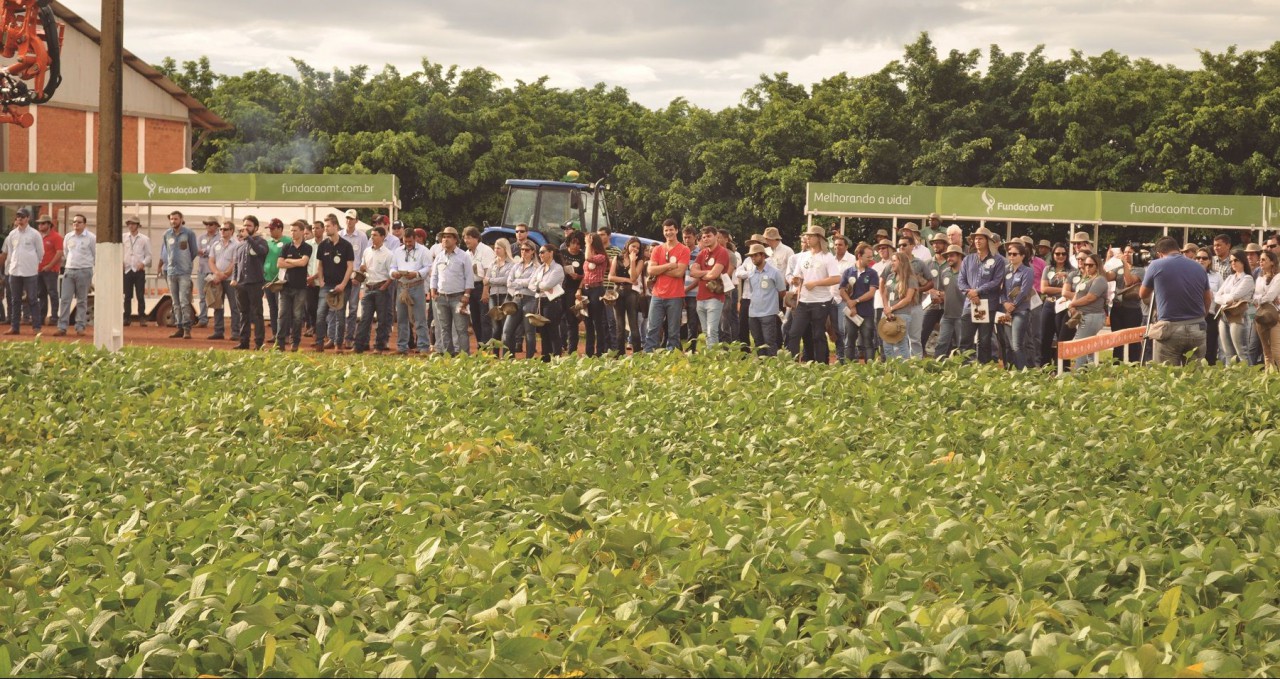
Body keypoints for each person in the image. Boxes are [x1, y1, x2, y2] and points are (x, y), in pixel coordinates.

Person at [1140, 237, 1211, 365]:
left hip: (1170, 327)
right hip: (1197, 326)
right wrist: (1202, 316)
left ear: (1159, 254)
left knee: (1167, 376)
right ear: (1178, 250)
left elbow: (1143, 293)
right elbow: (1207, 297)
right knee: (1196, 377)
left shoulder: (1156, 265)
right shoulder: (1199, 267)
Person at [785, 225, 843, 363]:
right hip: (803, 301)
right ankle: (791, 364)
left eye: (810, 236)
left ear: (819, 238)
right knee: (794, 333)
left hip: (821, 302)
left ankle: (822, 364)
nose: (807, 238)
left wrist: (816, 283)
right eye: (807, 236)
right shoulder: (803, 256)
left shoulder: (827, 257)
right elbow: (797, 276)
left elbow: (836, 278)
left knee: (818, 335)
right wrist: (795, 280)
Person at [957, 226, 1006, 364]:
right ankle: (964, 369)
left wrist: (977, 291)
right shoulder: (967, 259)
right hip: (969, 304)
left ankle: (983, 370)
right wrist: (971, 294)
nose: (977, 241)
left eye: (980, 238)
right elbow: (961, 281)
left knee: (984, 340)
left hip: (987, 304)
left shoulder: (998, 260)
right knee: (965, 339)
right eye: (975, 239)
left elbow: (997, 282)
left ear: (988, 241)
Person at [643, 219, 690, 352]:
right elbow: (650, 270)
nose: (668, 232)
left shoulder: (684, 250)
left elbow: (680, 272)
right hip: (657, 294)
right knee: (652, 328)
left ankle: (672, 357)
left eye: (671, 229)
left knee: (673, 330)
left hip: (675, 295)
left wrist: (660, 270)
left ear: (676, 230)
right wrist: (669, 266)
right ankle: (649, 354)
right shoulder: (657, 249)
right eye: (666, 230)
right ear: (663, 232)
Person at [430, 226, 474, 356]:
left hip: (458, 297)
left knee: (461, 329)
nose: (445, 239)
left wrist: (466, 295)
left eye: (448, 237)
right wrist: (433, 291)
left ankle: (464, 356)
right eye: (443, 237)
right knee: (444, 329)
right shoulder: (439, 257)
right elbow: (434, 276)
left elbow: (469, 277)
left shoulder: (464, 256)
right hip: (441, 297)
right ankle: (448, 356)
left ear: (456, 240)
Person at [314, 214, 355, 353]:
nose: (326, 229)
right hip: (326, 286)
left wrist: (343, 284)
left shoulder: (346, 245)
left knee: (340, 316)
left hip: (342, 286)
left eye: (328, 226)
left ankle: (338, 345)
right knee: (320, 315)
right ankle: (319, 344)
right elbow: (320, 265)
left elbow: (350, 266)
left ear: (336, 226)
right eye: (325, 226)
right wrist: (320, 281)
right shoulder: (323, 245)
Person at [390, 226, 433, 355]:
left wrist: (417, 274)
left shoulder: (424, 251)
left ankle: (423, 346)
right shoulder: (397, 251)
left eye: (410, 241)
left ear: (415, 239)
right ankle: (402, 347)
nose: (408, 244)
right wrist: (394, 273)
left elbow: (428, 267)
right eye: (405, 241)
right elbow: (392, 267)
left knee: (420, 318)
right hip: (402, 286)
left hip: (416, 285)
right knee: (402, 318)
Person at [739, 242, 787, 356]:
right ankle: (761, 367)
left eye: (755, 255)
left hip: (768, 313)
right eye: (751, 256)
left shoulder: (775, 272)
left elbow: (782, 292)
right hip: (753, 313)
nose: (753, 258)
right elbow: (753, 292)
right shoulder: (751, 274)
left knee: (769, 342)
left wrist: (771, 303)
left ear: (763, 255)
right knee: (758, 343)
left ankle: (772, 368)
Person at [158, 211, 199, 339]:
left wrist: (186, 263)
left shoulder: (189, 233)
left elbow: (194, 251)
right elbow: (167, 252)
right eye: (171, 219)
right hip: (171, 271)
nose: (173, 221)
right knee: (175, 302)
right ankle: (179, 327)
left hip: (184, 272)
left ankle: (187, 329)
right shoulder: (167, 234)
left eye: (175, 219)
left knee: (184, 301)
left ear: (181, 219)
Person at [353, 226, 394, 354]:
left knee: (382, 320)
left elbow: (391, 274)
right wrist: (362, 268)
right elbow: (363, 267)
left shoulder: (388, 254)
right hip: (368, 287)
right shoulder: (367, 252)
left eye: (375, 235)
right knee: (364, 319)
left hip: (381, 288)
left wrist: (385, 286)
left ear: (383, 237)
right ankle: (358, 346)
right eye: (371, 235)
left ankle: (379, 347)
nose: (372, 237)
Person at [231, 215, 269, 350]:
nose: (246, 228)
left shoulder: (261, 242)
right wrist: (234, 279)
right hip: (241, 284)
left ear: (256, 228)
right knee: (243, 313)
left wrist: (249, 238)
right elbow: (236, 264)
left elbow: (261, 252)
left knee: (257, 313)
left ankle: (259, 343)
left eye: (249, 226)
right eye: (245, 225)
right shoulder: (240, 246)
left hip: (255, 283)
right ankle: (244, 342)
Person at [274, 221, 313, 352]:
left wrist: (289, 260)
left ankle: (295, 342)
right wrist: (295, 262)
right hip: (285, 286)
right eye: (291, 230)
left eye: (295, 230)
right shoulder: (286, 246)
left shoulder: (307, 247)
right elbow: (279, 264)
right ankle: (279, 343)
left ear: (302, 231)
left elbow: (303, 263)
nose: (292, 233)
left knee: (297, 316)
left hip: (300, 287)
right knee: (282, 315)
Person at [3, 208, 42, 335]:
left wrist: (33, 264)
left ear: (28, 218)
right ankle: (15, 327)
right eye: (18, 216)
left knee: (32, 299)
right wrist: (9, 268)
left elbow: (40, 253)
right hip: (14, 271)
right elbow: (10, 253)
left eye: (22, 216)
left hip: (29, 271)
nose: (20, 218)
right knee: (15, 300)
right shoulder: (12, 234)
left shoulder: (35, 234)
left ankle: (36, 327)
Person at [997, 242, 1036, 369]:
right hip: (1007, 310)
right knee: (1008, 344)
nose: (1011, 256)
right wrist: (1004, 302)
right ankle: (1010, 371)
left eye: (1015, 254)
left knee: (1017, 344)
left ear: (1022, 256)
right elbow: (1001, 290)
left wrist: (1012, 305)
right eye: (1009, 254)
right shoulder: (1006, 270)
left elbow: (1025, 291)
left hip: (1020, 311)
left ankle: (1022, 373)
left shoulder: (1027, 271)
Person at [690, 226, 730, 348]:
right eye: (704, 237)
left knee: (712, 331)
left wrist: (701, 273)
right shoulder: (702, 253)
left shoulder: (722, 252)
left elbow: (714, 274)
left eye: (709, 236)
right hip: (700, 297)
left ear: (716, 236)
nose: (706, 239)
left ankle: (713, 361)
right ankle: (711, 358)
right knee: (706, 332)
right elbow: (692, 272)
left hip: (715, 297)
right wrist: (706, 273)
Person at [839, 243, 879, 362]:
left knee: (868, 341)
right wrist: (850, 303)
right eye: (868, 257)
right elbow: (842, 290)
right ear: (859, 256)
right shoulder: (848, 272)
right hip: (851, 313)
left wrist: (855, 301)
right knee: (849, 340)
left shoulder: (872, 273)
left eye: (872, 256)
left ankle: (871, 368)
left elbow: (871, 292)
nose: (871, 259)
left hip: (867, 313)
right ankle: (849, 368)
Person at [55, 214, 94, 336]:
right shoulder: (68, 237)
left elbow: (95, 254)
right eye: (74, 222)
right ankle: (62, 327)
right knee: (65, 299)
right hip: (69, 270)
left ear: (84, 224)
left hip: (84, 270)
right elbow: (66, 253)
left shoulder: (91, 237)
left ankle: (80, 327)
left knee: (82, 300)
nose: (76, 224)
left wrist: (91, 273)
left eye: (79, 222)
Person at [1214, 250, 1254, 364]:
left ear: (1243, 261)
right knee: (1228, 353)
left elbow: (1235, 295)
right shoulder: (1230, 277)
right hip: (1224, 314)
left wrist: (1227, 298)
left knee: (1241, 351)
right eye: (1231, 261)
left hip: (1239, 314)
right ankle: (1230, 379)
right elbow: (1217, 296)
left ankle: (1248, 379)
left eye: (1236, 260)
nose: (1233, 263)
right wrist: (1228, 299)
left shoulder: (1248, 278)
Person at [1109, 244, 1146, 363]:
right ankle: (1116, 368)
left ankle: (1134, 368)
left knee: (1133, 342)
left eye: (1130, 252)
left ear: (1136, 254)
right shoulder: (1118, 267)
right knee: (1116, 341)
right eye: (1124, 252)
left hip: (1132, 309)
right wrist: (1106, 260)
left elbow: (1129, 281)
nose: (1126, 254)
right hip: (1117, 308)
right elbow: (1107, 276)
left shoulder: (1140, 269)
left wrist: (1124, 263)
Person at [1039, 243, 1075, 366]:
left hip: (1064, 306)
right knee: (1045, 338)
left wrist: (1057, 289)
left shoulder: (1072, 271)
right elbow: (1043, 289)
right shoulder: (1048, 269)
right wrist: (1064, 290)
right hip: (1049, 304)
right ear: (1053, 254)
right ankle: (1045, 369)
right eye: (1057, 253)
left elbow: (1074, 291)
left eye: (1063, 253)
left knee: (1062, 339)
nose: (1060, 256)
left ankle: (1062, 368)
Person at [880, 252, 920, 360]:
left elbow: (908, 299)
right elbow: (884, 294)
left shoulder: (910, 278)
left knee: (901, 344)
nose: (891, 263)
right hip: (889, 314)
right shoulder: (890, 276)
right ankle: (892, 368)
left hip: (902, 315)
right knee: (887, 345)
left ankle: (904, 370)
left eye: (894, 261)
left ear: (901, 262)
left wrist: (891, 308)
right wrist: (886, 308)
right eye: (891, 260)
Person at [504, 239, 539, 358]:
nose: (524, 252)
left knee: (529, 332)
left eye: (527, 250)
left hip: (530, 299)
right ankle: (508, 359)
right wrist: (522, 282)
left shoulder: (537, 267)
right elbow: (508, 283)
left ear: (533, 252)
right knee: (507, 331)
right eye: (522, 249)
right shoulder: (516, 265)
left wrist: (517, 281)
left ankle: (529, 360)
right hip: (515, 299)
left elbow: (531, 283)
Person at [608, 237, 643, 355]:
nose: (636, 249)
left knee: (633, 324)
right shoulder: (617, 258)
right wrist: (626, 279)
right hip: (617, 292)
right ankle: (619, 354)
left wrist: (633, 261)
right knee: (619, 324)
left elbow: (633, 277)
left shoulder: (640, 261)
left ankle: (637, 353)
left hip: (631, 293)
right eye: (633, 246)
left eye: (638, 248)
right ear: (627, 245)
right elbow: (611, 277)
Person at [532, 244, 566, 361]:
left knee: (552, 330)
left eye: (543, 252)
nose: (540, 255)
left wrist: (539, 284)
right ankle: (545, 357)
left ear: (551, 253)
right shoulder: (540, 268)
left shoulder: (558, 268)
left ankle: (556, 357)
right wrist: (540, 286)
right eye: (539, 252)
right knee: (543, 331)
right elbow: (531, 284)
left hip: (552, 301)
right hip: (540, 300)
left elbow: (547, 285)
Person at [340, 209, 370, 345]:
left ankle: (349, 338)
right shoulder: (339, 235)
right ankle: (337, 338)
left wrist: (359, 276)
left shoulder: (362, 237)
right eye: (347, 218)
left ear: (356, 221)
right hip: (340, 279)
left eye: (351, 218)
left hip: (355, 280)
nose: (349, 221)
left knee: (352, 309)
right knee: (338, 309)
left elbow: (365, 258)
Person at [462, 226, 495, 346]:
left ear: (476, 238)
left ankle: (486, 347)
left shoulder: (486, 250)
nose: (466, 240)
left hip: (483, 286)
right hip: (472, 287)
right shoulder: (467, 254)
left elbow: (488, 272)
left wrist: (485, 291)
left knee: (484, 319)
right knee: (475, 319)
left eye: (469, 238)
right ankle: (480, 344)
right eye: (465, 238)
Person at [932, 245, 966, 359]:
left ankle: (966, 370)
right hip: (946, 315)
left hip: (962, 315)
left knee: (963, 345)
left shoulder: (967, 273)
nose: (948, 259)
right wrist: (939, 298)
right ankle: (936, 368)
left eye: (951, 256)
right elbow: (944, 292)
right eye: (947, 256)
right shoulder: (945, 272)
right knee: (941, 343)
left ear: (960, 256)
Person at [262, 218, 292, 343]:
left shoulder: (288, 241)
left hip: (280, 281)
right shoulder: (268, 242)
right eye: (269, 228)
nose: (270, 231)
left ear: (280, 228)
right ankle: (275, 333)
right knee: (272, 308)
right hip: (268, 279)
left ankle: (285, 334)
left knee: (283, 309)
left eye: (272, 228)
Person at [121, 216, 152, 327]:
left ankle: (142, 317)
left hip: (139, 270)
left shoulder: (144, 239)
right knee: (127, 295)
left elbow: (149, 256)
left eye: (133, 224)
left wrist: (143, 263)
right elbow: (119, 251)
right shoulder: (123, 237)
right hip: (127, 269)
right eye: (129, 223)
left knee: (140, 295)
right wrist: (121, 262)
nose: (131, 226)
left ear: (138, 225)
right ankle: (127, 317)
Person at [1253, 249, 1280, 370]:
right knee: (1266, 351)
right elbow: (1255, 297)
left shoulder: (1278, 277)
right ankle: (1268, 380)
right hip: (1262, 316)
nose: (1261, 262)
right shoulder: (1259, 278)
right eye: (1260, 260)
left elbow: (1271, 296)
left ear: (1272, 262)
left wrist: (1261, 298)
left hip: (1275, 316)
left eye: (1264, 260)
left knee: (1276, 351)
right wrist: (1262, 298)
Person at [35, 214, 63, 327]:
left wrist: (50, 265)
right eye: (39, 224)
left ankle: (54, 317)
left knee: (52, 293)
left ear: (49, 224)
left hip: (51, 271)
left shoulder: (56, 237)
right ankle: (42, 317)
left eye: (42, 223)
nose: (40, 226)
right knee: (41, 294)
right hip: (38, 269)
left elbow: (59, 253)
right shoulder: (38, 237)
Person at [487, 238, 515, 349]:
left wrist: (490, 280)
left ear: (505, 249)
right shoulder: (492, 263)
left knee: (505, 326)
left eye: (498, 248)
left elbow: (506, 280)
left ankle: (507, 353)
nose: (496, 250)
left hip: (506, 296)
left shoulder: (512, 264)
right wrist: (489, 280)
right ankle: (495, 355)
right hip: (493, 296)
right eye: (495, 248)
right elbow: (486, 278)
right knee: (495, 327)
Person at [1196, 248, 1222, 365]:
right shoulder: (1190, 275)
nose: (1201, 260)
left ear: (1210, 261)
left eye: (1204, 258)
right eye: (1198, 258)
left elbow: (1223, 295)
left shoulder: (1217, 276)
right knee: (1195, 351)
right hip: (1194, 316)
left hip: (1210, 316)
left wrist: (1212, 294)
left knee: (1210, 348)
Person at [195, 217, 219, 328]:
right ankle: (203, 319)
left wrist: (204, 251)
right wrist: (206, 252)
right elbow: (196, 251)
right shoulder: (201, 237)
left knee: (216, 296)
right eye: (207, 224)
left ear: (216, 226)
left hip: (214, 270)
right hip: (202, 270)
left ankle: (217, 321)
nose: (208, 226)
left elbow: (215, 253)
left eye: (210, 224)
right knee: (202, 296)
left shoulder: (219, 237)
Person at [303, 221, 324, 338]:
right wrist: (307, 277)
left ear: (323, 230)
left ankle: (320, 330)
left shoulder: (327, 244)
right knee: (310, 306)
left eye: (317, 228)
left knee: (321, 307)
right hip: (309, 281)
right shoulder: (307, 244)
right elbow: (304, 262)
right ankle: (313, 326)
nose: (315, 230)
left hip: (321, 281)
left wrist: (314, 277)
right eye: (313, 228)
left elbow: (326, 265)